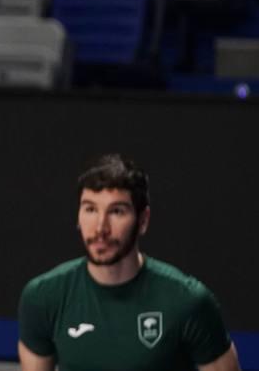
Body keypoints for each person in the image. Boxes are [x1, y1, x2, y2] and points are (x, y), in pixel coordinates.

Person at [18, 154, 242, 371]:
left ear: (143, 220)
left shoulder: (188, 301)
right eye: (90, 209)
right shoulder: (43, 297)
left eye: (116, 211)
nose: (100, 228)